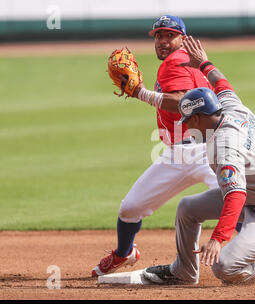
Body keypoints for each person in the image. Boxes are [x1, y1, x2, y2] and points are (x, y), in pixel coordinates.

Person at [142, 36, 255, 285]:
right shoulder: (232, 108)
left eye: (186, 120)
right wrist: (204, 63)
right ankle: (184, 271)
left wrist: (218, 239)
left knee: (225, 268)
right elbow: (222, 84)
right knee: (187, 208)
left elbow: (235, 196)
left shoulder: (224, 147)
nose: (184, 125)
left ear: (198, 118)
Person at [91, 15, 219, 277]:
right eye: (159, 36)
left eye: (169, 35)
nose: (162, 41)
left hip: (203, 150)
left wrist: (141, 93)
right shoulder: (189, 61)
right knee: (130, 208)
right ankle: (125, 253)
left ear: (182, 38)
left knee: (231, 197)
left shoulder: (174, 63)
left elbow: (185, 102)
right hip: (179, 153)